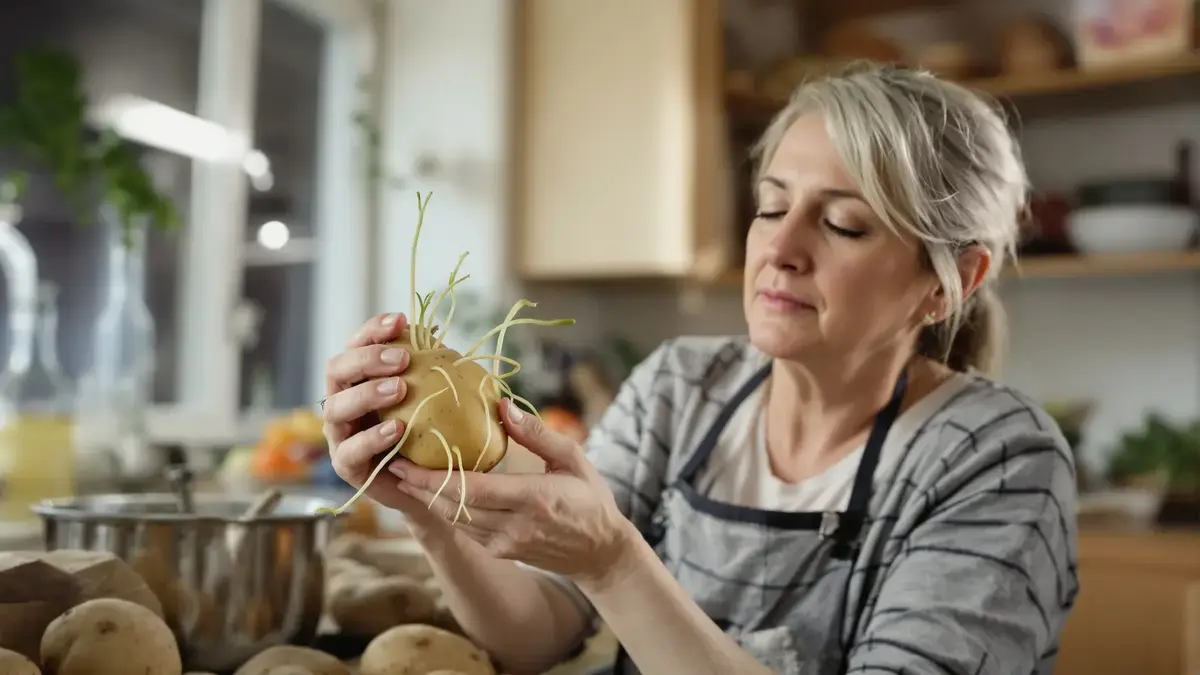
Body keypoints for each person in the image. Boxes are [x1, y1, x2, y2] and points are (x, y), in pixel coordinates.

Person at [322, 63, 1079, 675]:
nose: (781, 248)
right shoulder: (682, 388)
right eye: (772, 206)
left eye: (844, 222)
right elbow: (536, 635)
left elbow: (606, 570)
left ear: (953, 281)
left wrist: (616, 564)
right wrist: (428, 510)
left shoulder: (999, 460)